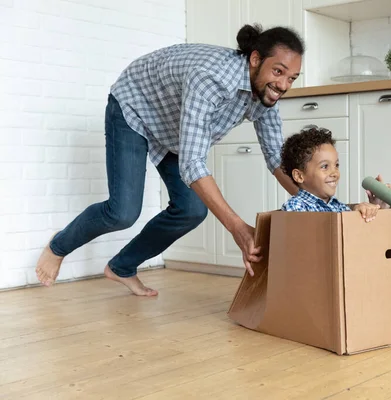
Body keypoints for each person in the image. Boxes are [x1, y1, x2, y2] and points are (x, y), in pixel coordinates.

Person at [35, 24, 304, 295]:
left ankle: (122, 267)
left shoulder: (267, 92)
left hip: (173, 126)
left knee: (191, 210)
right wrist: (238, 228)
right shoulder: (212, 79)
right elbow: (192, 162)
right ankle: (58, 246)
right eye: (278, 71)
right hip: (135, 107)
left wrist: (314, 203)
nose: (283, 85)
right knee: (122, 212)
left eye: (292, 78)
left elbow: (274, 156)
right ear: (255, 59)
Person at [279, 127, 391, 219]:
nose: (335, 173)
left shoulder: (339, 208)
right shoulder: (295, 208)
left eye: (336, 165)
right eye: (324, 166)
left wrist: (374, 210)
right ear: (299, 176)